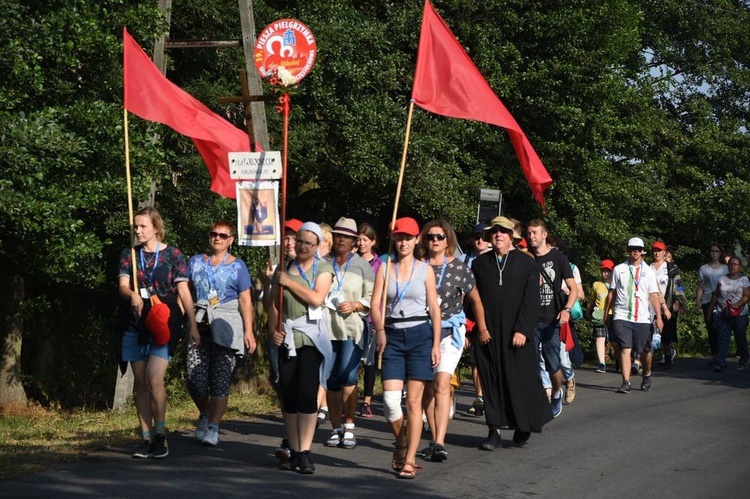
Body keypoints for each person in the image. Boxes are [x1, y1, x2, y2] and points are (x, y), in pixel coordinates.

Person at [118, 207, 198, 459]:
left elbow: (183, 291)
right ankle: (145, 436)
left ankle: (161, 434)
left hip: (165, 319)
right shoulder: (129, 254)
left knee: (154, 378)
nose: (137, 231)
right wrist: (132, 295)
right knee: (140, 381)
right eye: (135, 226)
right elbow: (122, 285)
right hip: (136, 321)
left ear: (156, 227)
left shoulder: (174, 255)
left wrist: (193, 323)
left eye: (142, 226)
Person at [471, 216, 552, 450]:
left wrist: (523, 330)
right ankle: (494, 430)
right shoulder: (479, 265)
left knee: (521, 382)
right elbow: (472, 300)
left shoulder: (527, 263)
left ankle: (523, 424)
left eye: (503, 232)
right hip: (488, 334)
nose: (498, 235)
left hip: (516, 334)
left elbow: (532, 300)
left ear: (511, 238)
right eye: (494, 232)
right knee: (491, 382)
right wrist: (480, 328)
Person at [371, 217, 441, 479]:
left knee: (414, 403)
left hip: (420, 335)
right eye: (399, 237)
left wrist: (435, 343)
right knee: (390, 402)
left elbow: (434, 308)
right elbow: (375, 304)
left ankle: (410, 459)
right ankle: (401, 441)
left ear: (416, 241)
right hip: (392, 335)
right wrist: (379, 330)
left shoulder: (425, 270)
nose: (403, 242)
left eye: (408, 237)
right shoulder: (384, 268)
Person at [268, 222, 334, 474]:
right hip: (288, 337)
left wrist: (290, 282)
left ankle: (305, 451)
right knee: (289, 393)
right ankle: (294, 450)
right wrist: (274, 328)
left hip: (311, 337)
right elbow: (274, 304)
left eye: (308, 242)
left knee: (307, 394)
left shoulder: (323, 268)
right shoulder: (283, 269)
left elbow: (317, 297)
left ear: (317, 245)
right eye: (299, 241)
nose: (303, 246)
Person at [419, 220, 487, 462]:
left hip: (450, 333)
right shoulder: (417, 266)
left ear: (448, 241)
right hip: (422, 333)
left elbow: (476, 300)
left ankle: (439, 442)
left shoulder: (459, 269)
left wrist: (482, 329)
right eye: (430, 237)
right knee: (426, 388)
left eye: (439, 236)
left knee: (442, 383)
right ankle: (432, 434)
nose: (435, 240)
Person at [186, 221, 256, 447]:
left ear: (231, 240)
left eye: (223, 235)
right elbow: (184, 292)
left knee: (220, 379)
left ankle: (214, 426)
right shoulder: (196, 261)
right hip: (200, 322)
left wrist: (249, 331)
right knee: (194, 379)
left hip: (227, 323)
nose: (217, 238)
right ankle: (205, 414)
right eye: (214, 234)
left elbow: (245, 300)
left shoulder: (238, 266)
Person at [323, 217, 375, 450]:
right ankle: (335, 428)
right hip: (326, 328)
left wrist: (356, 304)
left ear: (354, 241)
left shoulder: (362, 266)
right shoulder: (323, 262)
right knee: (332, 381)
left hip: (352, 329)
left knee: (349, 376)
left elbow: (374, 296)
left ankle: (350, 426)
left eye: (346, 236)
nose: (341, 239)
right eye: (338, 235)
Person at [527, 219, 577, 418]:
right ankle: (537, 399)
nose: (531, 236)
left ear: (544, 235)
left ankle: (557, 391)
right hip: (530, 320)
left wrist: (567, 309)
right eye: (529, 233)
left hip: (552, 320)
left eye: (535, 232)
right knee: (530, 364)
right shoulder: (527, 259)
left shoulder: (558, 258)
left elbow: (573, 289)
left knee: (553, 365)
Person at [605, 237, 664, 393]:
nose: (635, 251)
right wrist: (607, 313)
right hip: (622, 314)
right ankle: (626, 382)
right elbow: (612, 293)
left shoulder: (649, 272)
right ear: (628, 250)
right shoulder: (619, 269)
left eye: (638, 249)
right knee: (625, 349)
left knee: (645, 352)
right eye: (633, 248)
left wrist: (659, 316)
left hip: (643, 317)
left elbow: (653, 295)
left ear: (642, 251)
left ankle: (647, 374)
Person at [462, 223, 489, 417]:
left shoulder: (495, 259)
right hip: (470, 315)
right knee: (475, 359)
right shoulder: (464, 261)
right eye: (476, 237)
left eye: (483, 236)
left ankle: (491, 396)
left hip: (490, 316)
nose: (480, 240)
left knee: (490, 359)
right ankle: (479, 397)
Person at [357, 223, 383, 418]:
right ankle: (346, 399)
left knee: (370, 361)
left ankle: (366, 400)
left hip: (372, 317)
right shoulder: (352, 262)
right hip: (353, 317)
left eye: (365, 239)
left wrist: (380, 320)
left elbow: (382, 294)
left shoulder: (379, 265)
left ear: (373, 242)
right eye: (359, 239)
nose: (361, 243)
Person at [707, 256, 750, 372]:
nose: (732, 266)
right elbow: (716, 295)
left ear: (739, 266)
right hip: (723, 313)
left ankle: (744, 360)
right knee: (722, 337)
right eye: (730, 264)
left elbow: (746, 296)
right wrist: (710, 310)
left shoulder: (744, 280)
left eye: (735, 264)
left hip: (739, 313)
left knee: (740, 337)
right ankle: (721, 363)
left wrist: (738, 304)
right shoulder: (722, 279)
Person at [650, 241, 685, 369]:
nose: (657, 253)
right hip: (650, 307)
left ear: (664, 252)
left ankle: (668, 354)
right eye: (654, 250)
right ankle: (649, 361)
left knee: (666, 337)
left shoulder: (671, 269)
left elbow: (679, 286)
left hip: (668, 306)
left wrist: (678, 301)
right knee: (649, 335)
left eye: (659, 250)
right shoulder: (648, 267)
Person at [696, 244, 728, 365]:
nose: (714, 253)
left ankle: (721, 354)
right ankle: (715, 354)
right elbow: (700, 287)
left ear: (720, 253)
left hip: (722, 301)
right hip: (707, 300)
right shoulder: (704, 268)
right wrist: (697, 303)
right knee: (711, 328)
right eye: (712, 251)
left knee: (721, 328)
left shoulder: (726, 268)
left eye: (716, 251)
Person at [587, 259, 615, 373]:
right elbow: (592, 300)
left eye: (608, 271)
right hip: (599, 315)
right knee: (599, 339)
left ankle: (619, 360)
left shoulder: (616, 284)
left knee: (614, 341)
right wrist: (588, 311)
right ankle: (602, 363)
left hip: (613, 315)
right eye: (603, 271)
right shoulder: (596, 284)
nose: (605, 273)